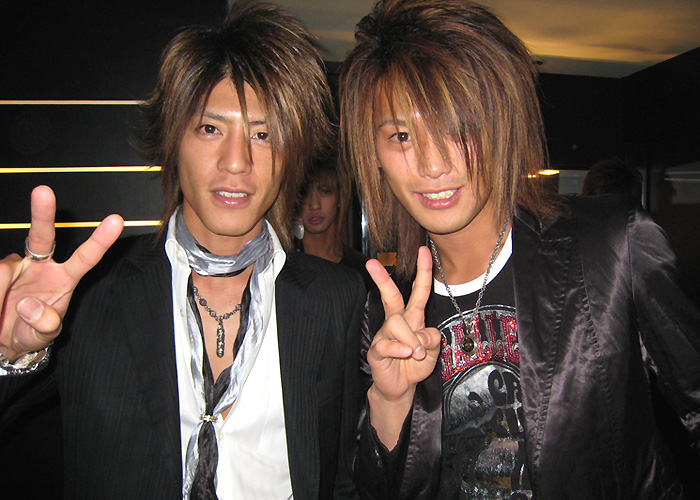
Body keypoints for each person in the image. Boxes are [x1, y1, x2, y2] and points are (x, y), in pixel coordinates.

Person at [0, 1, 363, 498]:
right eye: (210, 128)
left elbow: (340, 480)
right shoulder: (90, 289)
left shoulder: (336, 298)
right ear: (173, 139)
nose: (236, 162)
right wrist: (9, 353)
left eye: (264, 134)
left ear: (292, 155)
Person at [339, 0, 700, 498]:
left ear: (501, 122)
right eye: (401, 135)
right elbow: (373, 488)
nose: (432, 164)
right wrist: (389, 401)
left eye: (457, 127)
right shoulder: (383, 313)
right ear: (374, 154)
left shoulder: (612, 247)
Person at [294, 160, 373, 290]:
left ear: (339, 198)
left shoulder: (361, 270)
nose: (314, 205)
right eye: (304, 193)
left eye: (325, 192)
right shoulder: (280, 263)